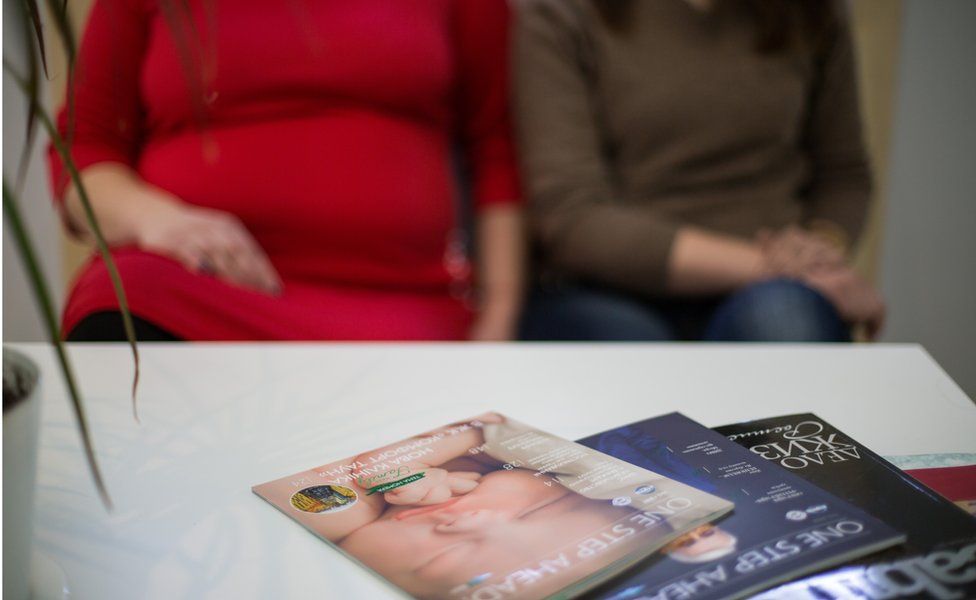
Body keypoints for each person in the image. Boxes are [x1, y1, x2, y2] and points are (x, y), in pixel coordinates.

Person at [50, 0, 523, 341]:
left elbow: (495, 150)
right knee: (119, 302)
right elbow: (83, 148)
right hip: (196, 290)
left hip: (399, 304)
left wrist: (498, 318)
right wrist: (155, 219)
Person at [515, 0, 884, 342]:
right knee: (634, 361)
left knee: (786, 318)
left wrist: (819, 252)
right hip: (601, 287)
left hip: (773, 289)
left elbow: (842, 172)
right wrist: (777, 266)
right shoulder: (561, 11)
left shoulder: (812, 11)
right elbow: (569, 215)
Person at [258, 414, 731, 599]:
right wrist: (464, 439)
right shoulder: (540, 458)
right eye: (536, 514)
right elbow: (496, 430)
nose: (470, 519)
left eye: (438, 562)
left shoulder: (354, 525)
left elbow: (309, 501)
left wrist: (374, 488)